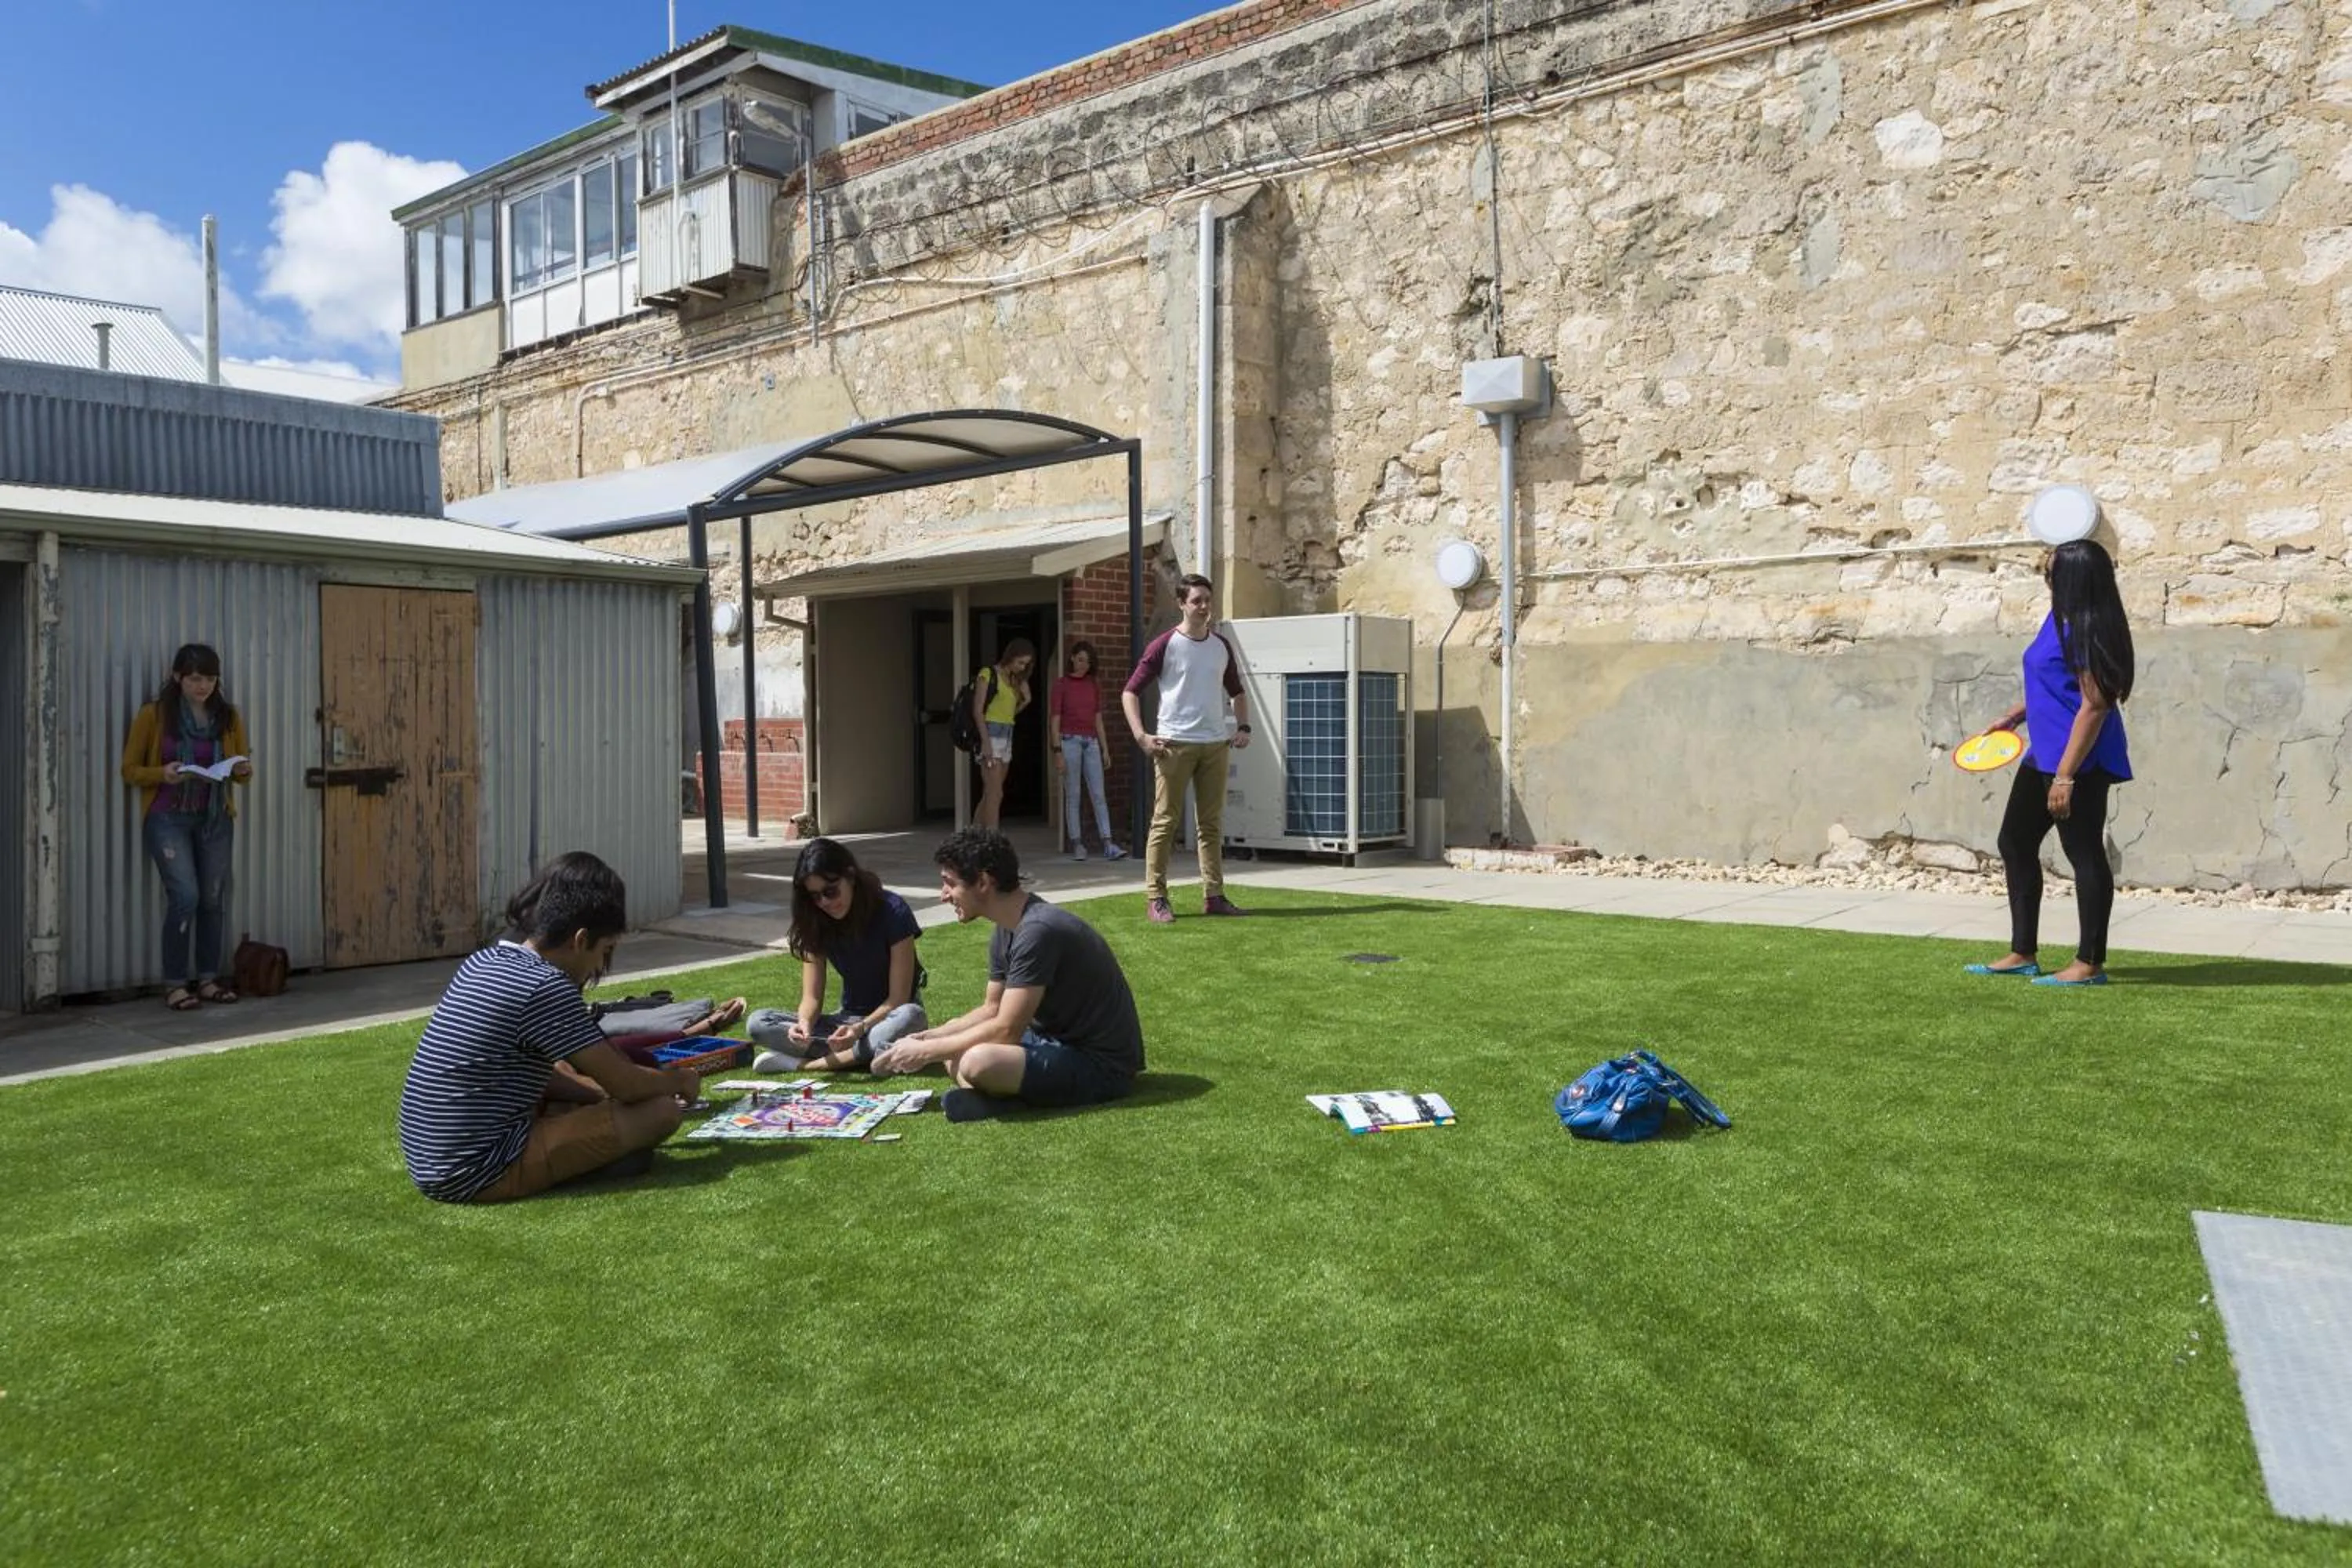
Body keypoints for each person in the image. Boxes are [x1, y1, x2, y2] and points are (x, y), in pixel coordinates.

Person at [397, 852, 699, 1203]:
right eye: (605, 950)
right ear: (580, 939)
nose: (600, 964)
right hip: (477, 1171)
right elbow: (628, 1085)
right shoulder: (546, 986)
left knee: (568, 1066)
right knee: (660, 1112)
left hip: (433, 1160)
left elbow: (526, 1073)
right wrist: (679, 1080)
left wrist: (598, 1093)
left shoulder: (486, 959)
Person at [872, 828, 1145, 1122]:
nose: (943, 896)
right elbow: (991, 1009)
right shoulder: (1007, 926)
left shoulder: (1039, 931)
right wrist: (924, 1039)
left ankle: (1006, 1100)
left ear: (983, 882)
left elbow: (1006, 1030)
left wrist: (926, 1053)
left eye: (950, 884)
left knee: (977, 1061)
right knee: (956, 1041)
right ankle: (1004, 1097)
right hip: (1050, 1043)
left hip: (1102, 1066)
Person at [1964, 539, 2136, 988]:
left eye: (2052, 569)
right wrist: (2016, 715)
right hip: (2043, 751)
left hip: (2078, 760)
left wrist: (2066, 776)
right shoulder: (2057, 618)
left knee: (2083, 854)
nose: (2045, 574)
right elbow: (2055, 683)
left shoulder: (2088, 625)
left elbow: (2095, 705)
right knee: (2015, 842)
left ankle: (2089, 962)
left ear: (2074, 578)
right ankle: (2023, 952)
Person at [119, 643, 253, 1011]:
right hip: (167, 817)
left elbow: (243, 767)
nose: (203, 686)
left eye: (210, 678)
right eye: (195, 678)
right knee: (186, 896)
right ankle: (176, 984)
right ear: (177, 677)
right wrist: (161, 773)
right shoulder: (154, 715)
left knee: (213, 898)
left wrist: (242, 770)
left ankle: (208, 979)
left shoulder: (228, 717)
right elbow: (129, 770)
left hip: (214, 816)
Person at [1120, 573, 1252, 924]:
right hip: (1173, 745)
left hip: (1214, 745)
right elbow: (1129, 692)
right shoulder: (1164, 645)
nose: (1204, 606)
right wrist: (1141, 736)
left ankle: (1215, 895)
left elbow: (1237, 691)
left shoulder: (1221, 646)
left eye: (1207, 599)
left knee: (1210, 825)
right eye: (1196, 601)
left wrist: (1243, 726)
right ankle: (1156, 898)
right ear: (1182, 604)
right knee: (1165, 821)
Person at [747, 837, 929, 1074]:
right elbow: (811, 998)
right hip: (845, 1023)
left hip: (885, 1019)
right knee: (759, 1022)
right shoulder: (816, 920)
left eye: (830, 892)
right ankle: (870, 1056)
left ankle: (807, 1065)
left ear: (851, 877)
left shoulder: (892, 911)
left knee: (911, 1017)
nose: (824, 902)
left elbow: (898, 1000)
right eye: (815, 896)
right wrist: (804, 1025)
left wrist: (861, 1028)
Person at [1050, 640, 1127, 862]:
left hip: (1091, 742)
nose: (1084, 664)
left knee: (1098, 794)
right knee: (1073, 794)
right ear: (1072, 658)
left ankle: (1108, 843)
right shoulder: (1061, 685)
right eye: (1081, 659)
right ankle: (1077, 843)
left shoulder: (1093, 684)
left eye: (1088, 661)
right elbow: (1055, 720)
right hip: (1069, 742)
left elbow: (1098, 719)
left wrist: (1105, 749)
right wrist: (1057, 750)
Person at [974, 638, 1036, 830]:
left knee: (991, 792)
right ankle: (992, 838)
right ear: (1011, 656)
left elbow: (1009, 713)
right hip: (990, 734)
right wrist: (985, 743)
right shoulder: (988, 674)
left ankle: (973, 834)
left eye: (1025, 664)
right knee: (995, 793)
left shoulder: (1014, 681)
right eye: (1020, 662)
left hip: (1007, 733)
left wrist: (1025, 700)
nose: (1022, 667)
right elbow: (978, 711)